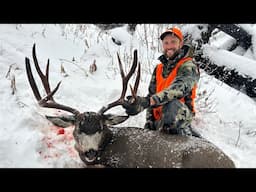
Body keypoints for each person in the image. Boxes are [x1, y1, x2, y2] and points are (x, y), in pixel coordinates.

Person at [123, 26, 201, 137]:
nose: (169, 46)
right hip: (160, 120)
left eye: (173, 42)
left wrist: (148, 101)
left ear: (181, 43)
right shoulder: (159, 68)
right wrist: (147, 119)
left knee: (171, 105)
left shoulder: (188, 66)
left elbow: (178, 89)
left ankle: (185, 138)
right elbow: (151, 95)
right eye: (166, 43)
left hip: (179, 118)